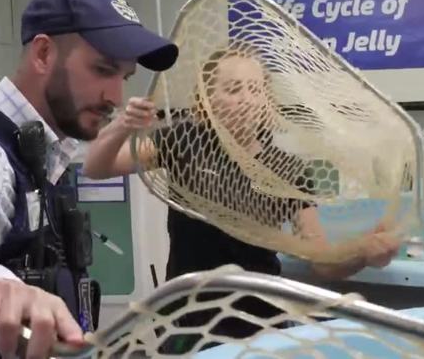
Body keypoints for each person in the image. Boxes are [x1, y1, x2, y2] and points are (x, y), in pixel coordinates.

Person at [84, 46, 399, 351]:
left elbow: (321, 263)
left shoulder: (287, 170)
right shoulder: (182, 142)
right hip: (188, 319)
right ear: (206, 100)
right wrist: (123, 125)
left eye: (256, 89)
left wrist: (364, 254)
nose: (248, 99)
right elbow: (96, 167)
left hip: (259, 322)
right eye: (234, 89)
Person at [0, 0, 178, 358]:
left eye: (126, 76)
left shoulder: (44, 158)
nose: (116, 96)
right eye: (103, 69)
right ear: (43, 55)